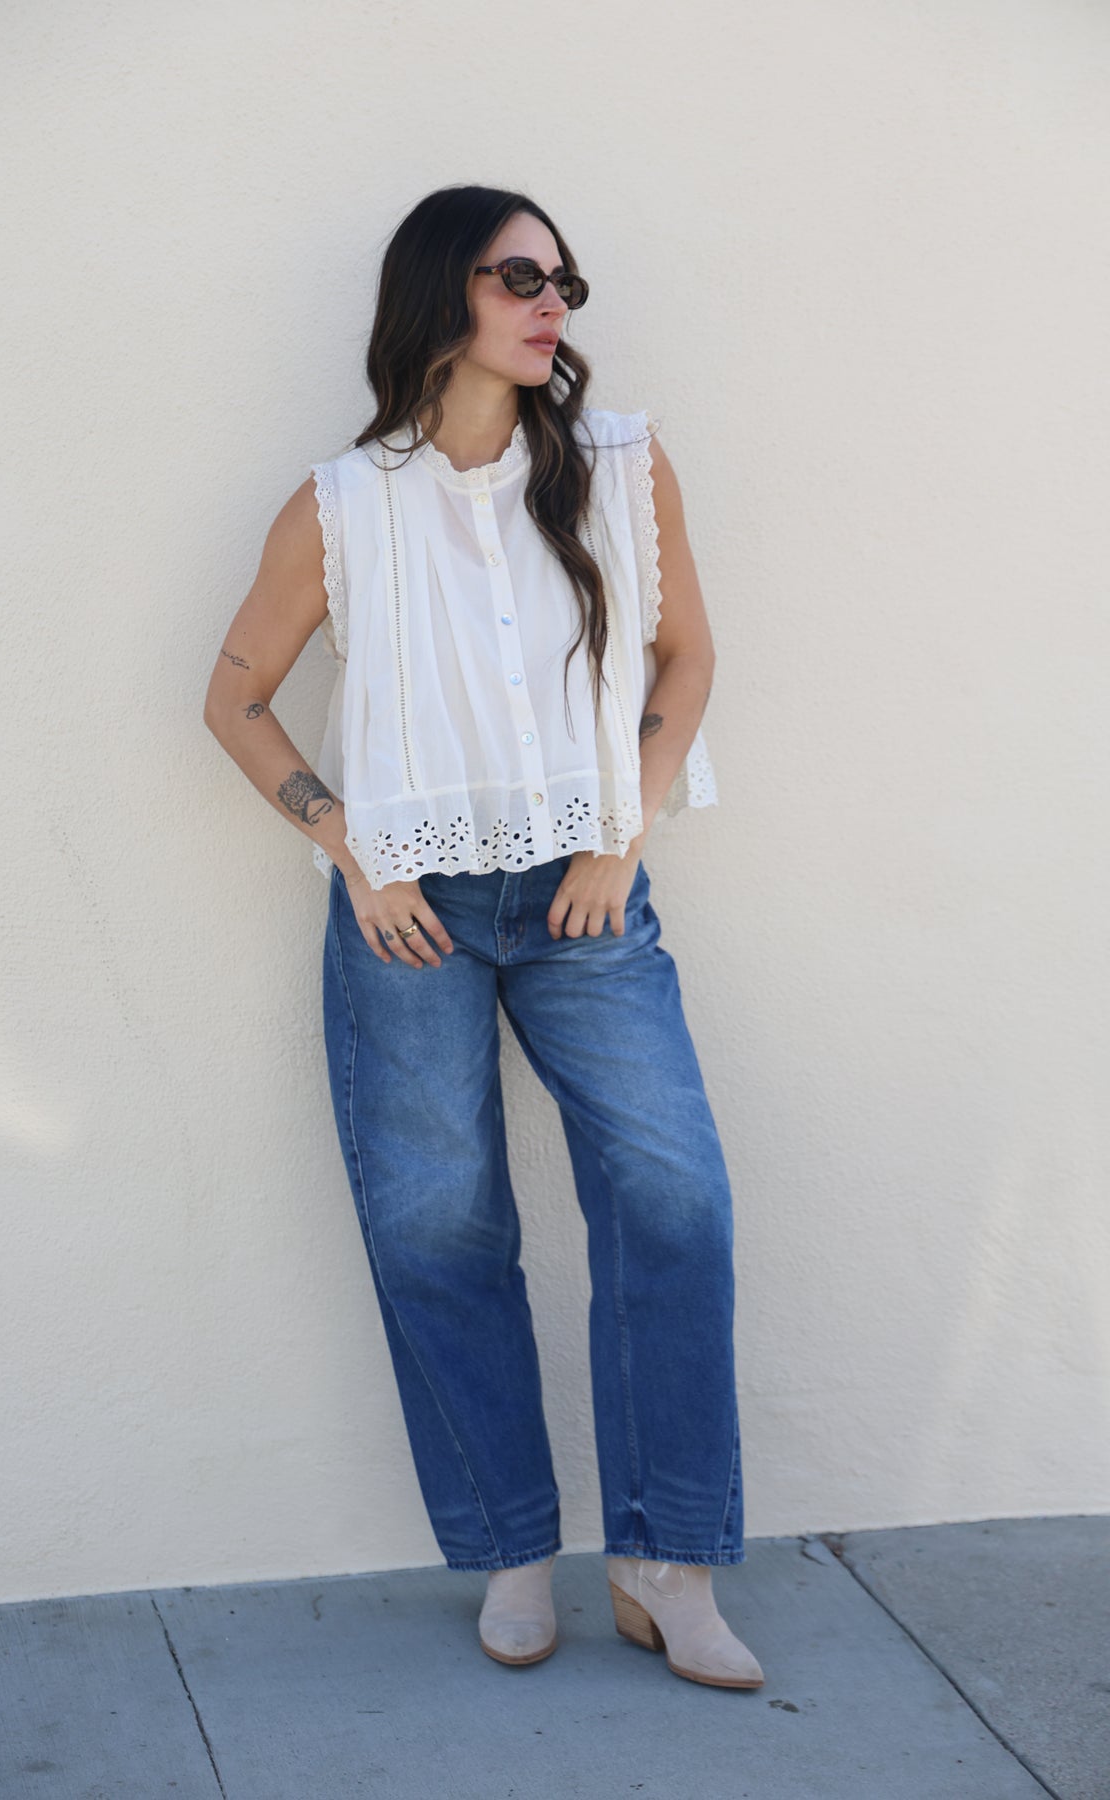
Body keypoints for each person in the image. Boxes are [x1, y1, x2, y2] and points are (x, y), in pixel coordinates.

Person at [203, 184, 763, 1691]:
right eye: (521, 273)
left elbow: (688, 656)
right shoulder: (343, 505)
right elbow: (236, 696)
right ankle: (516, 1544)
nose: (553, 299)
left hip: (589, 895)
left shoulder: (623, 470)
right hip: (411, 917)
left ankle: (665, 1558)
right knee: (439, 1225)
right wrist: (349, 848)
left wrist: (617, 833)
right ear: (441, 294)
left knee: (674, 1200)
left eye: (564, 276)